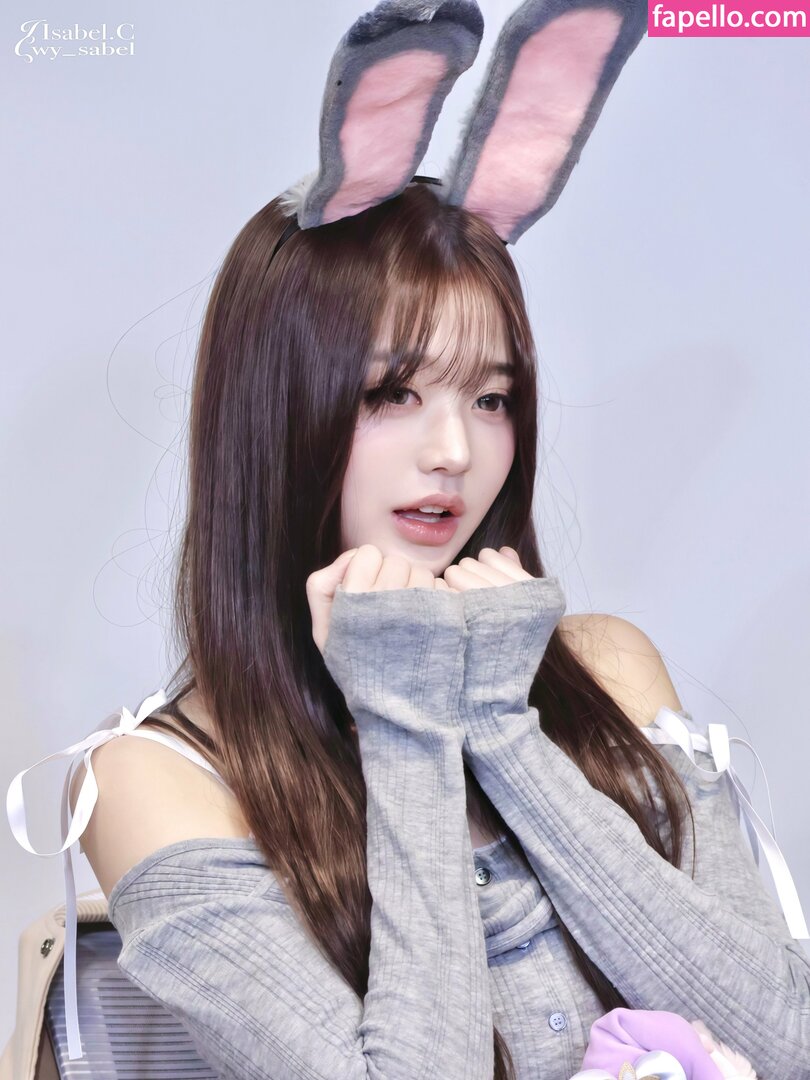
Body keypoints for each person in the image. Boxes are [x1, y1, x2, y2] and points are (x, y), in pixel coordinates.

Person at [7, 0, 810, 1076]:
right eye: (392, 394)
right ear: (277, 411)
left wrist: (501, 725)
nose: (455, 452)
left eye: (492, 398)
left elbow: (784, 1043)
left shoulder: (605, 666)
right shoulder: (158, 779)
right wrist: (407, 713)